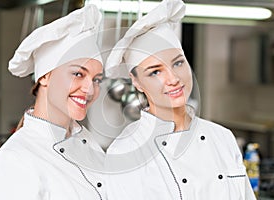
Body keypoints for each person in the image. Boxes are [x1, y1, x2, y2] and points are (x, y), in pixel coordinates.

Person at [104, 0, 256, 199]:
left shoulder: (222, 137)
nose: (174, 79)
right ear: (137, 82)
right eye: (155, 72)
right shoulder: (124, 154)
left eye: (178, 63)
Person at [0, 5, 107, 200]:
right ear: (44, 77)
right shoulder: (16, 160)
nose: (90, 89)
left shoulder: (87, 141)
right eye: (78, 74)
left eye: (97, 79)